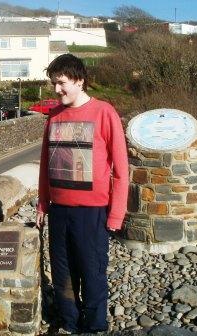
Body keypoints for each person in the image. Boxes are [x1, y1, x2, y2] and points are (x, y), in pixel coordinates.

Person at [36, 54, 129, 334]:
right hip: (59, 211)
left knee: (91, 272)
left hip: (92, 213)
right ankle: (69, 322)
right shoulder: (53, 116)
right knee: (63, 273)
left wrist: (116, 215)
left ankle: (94, 325)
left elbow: (122, 170)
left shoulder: (104, 112)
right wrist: (42, 205)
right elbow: (45, 165)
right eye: (53, 84)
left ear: (79, 80)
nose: (56, 90)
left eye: (61, 83)